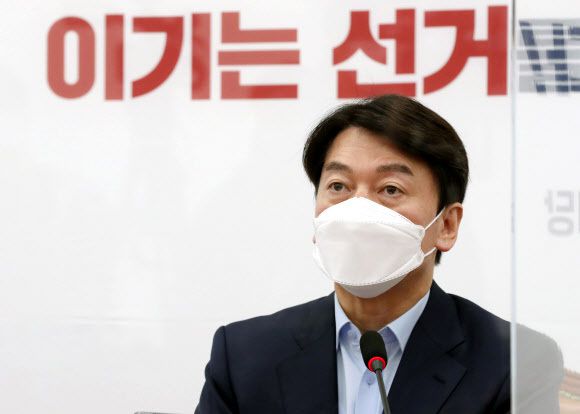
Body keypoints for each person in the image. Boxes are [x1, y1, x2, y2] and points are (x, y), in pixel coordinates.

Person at [195, 95, 557, 413]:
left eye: (390, 189)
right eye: (339, 186)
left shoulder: (514, 364)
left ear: (447, 225)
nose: (358, 210)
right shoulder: (243, 356)